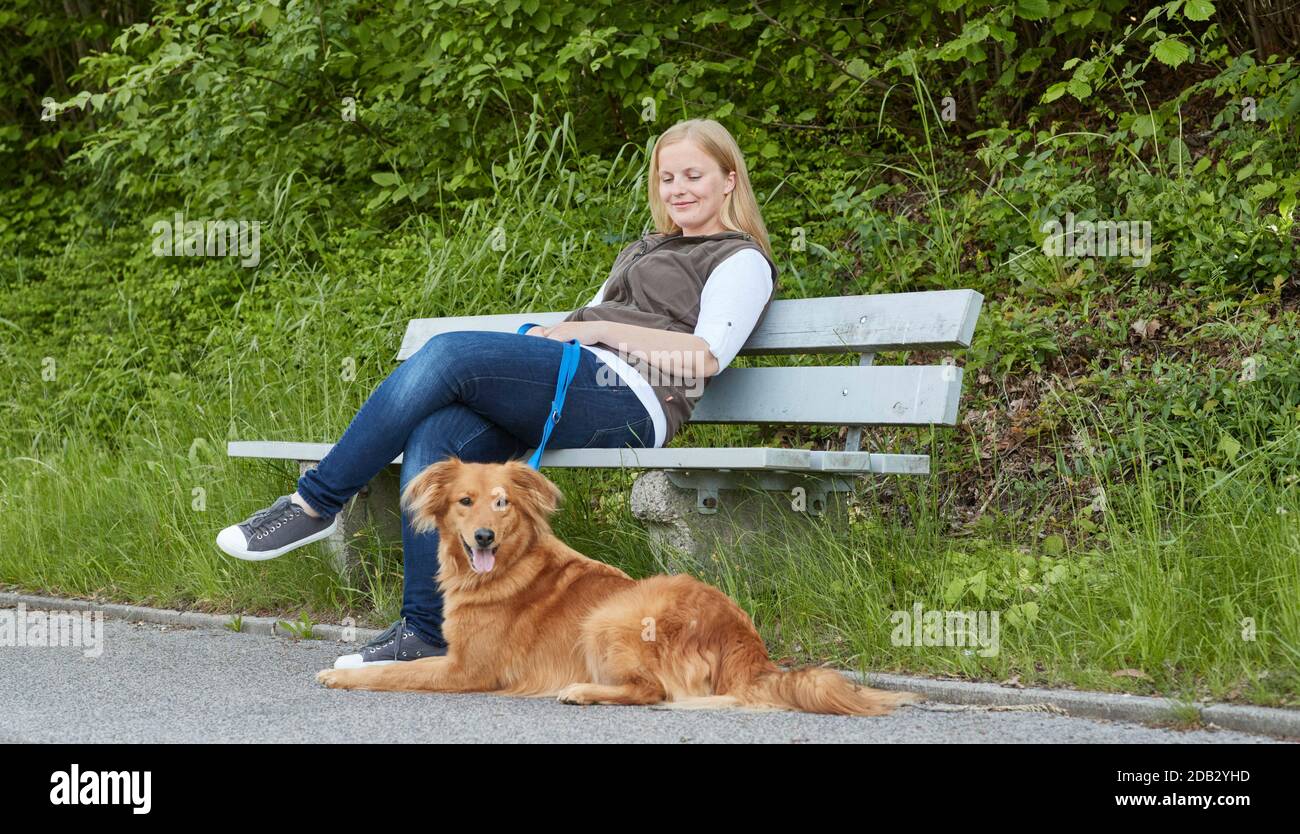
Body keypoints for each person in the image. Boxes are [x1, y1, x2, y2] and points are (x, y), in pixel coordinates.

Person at [215, 117, 780, 669]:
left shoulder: (739, 259)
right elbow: (593, 317)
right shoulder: (645, 247)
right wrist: (560, 334)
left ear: (729, 179)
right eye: (666, 178)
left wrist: (596, 331)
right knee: (436, 436)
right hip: (574, 380)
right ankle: (427, 630)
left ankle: (315, 503)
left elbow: (705, 357)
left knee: (449, 353)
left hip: (632, 399)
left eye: (693, 175)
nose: (677, 189)